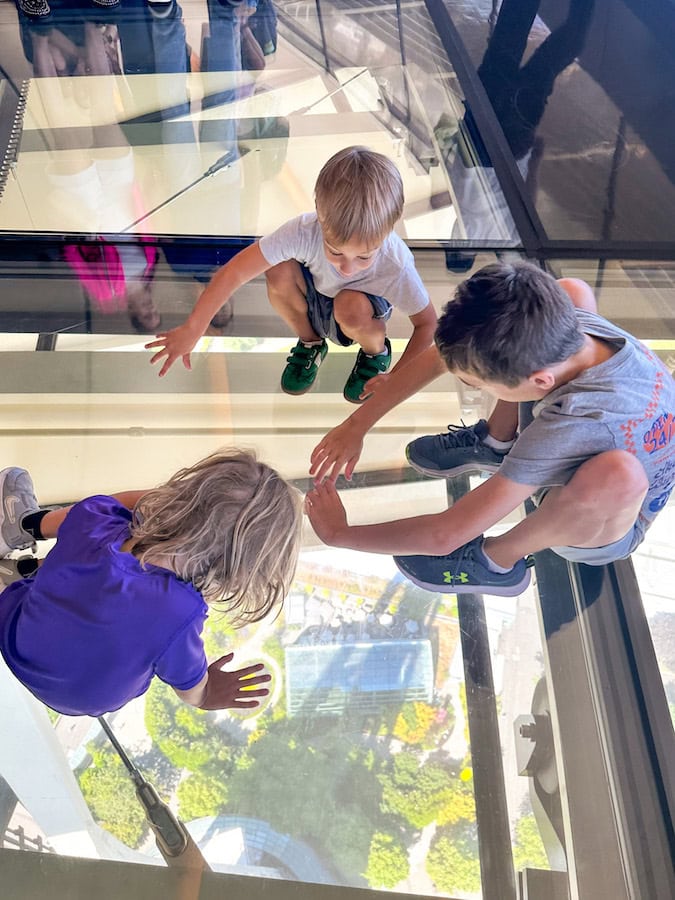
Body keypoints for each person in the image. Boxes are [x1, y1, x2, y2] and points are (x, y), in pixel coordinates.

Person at [305, 261, 675, 596]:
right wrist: (357, 424)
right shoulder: (564, 318)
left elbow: (445, 534)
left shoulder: (573, 423)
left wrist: (341, 534)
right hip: (601, 432)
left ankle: (495, 562)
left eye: (476, 384)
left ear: (541, 380)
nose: (470, 387)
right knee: (573, 287)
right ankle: (495, 443)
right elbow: (448, 353)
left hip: (612, 517)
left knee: (617, 475)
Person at [0, 450, 302, 716]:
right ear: (241, 571)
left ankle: (26, 525)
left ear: (178, 496)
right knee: (108, 599)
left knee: (84, 545)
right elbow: (193, 692)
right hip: (75, 699)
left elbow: (120, 505)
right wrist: (208, 695)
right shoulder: (181, 614)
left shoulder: (97, 519)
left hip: (16, 638)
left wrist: (170, 502)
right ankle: (23, 569)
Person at [145, 146, 436, 403]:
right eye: (334, 251)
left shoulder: (395, 263)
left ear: (387, 233)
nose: (346, 268)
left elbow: (427, 325)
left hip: (359, 310)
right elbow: (234, 272)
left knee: (349, 304)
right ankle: (311, 343)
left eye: (363, 257)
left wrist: (396, 380)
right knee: (278, 266)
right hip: (318, 296)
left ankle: (375, 353)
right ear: (320, 217)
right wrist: (194, 327)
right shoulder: (303, 230)